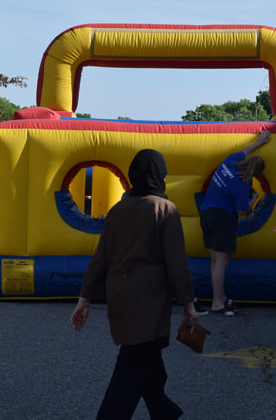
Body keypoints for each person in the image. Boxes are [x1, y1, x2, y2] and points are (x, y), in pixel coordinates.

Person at [71, 149, 197, 420]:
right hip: (148, 299)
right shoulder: (165, 209)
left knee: (149, 364)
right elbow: (177, 262)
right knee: (131, 370)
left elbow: (101, 257)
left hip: (120, 294)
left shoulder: (118, 209)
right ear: (159, 175)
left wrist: (85, 298)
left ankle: (164, 412)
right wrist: (188, 303)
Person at [199, 130, 271, 316]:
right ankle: (217, 303)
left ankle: (220, 297)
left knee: (215, 260)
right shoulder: (242, 182)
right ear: (255, 173)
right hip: (222, 217)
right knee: (222, 261)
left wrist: (260, 141)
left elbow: (246, 150)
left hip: (206, 213)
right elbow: (241, 211)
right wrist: (253, 199)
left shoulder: (229, 161)